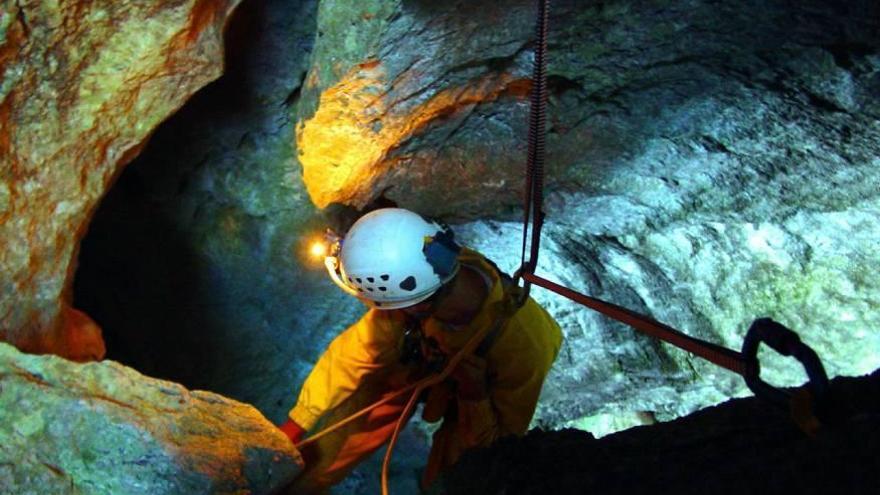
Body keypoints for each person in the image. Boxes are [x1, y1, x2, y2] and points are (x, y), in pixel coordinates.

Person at [280, 208, 562, 493]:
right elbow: (353, 354)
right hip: (429, 348)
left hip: (482, 393)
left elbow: (498, 444)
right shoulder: (428, 269)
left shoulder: (524, 348)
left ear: (415, 305)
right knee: (359, 417)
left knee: (459, 475)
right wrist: (296, 424)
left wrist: (474, 395)